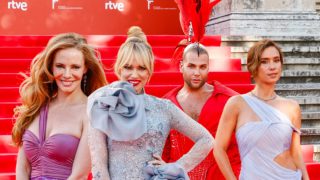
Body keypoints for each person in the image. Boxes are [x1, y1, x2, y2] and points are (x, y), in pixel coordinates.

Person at [87, 26, 214, 180]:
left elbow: (206, 140)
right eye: (128, 67)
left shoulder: (163, 107)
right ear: (119, 69)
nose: (134, 74)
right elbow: (98, 164)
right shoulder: (103, 103)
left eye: (141, 68)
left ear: (149, 72)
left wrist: (175, 167)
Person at [12, 33, 107, 179]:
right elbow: (23, 168)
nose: (67, 74)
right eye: (60, 66)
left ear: (85, 68)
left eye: (75, 67)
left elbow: (79, 175)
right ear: (51, 67)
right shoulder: (36, 106)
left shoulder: (91, 113)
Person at [214, 39, 309, 179]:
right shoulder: (236, 104)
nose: (272, 66)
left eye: (276, 60)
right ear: (253, 67)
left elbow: (296, 152)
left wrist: (306, 178)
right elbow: (218, 149)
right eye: (264, 61)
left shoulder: (292, 107)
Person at [162, 42, 241, 179]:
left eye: (202, 67)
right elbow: (163, 151)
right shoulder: (167, 103)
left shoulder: (228, 99)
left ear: (208, 68)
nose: (197, 73)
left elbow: (239, 148)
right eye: (191, 66)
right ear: (181, 66)